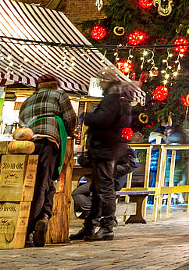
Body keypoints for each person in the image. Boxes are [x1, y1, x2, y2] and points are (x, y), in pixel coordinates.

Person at [17, 74, 78, 247]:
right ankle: (32, 226)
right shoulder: (59, 95)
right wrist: (68, 130)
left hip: (28, 144)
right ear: (55, 85)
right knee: (43, 183)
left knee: (34, 183)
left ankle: (43, 215)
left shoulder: (27, 101)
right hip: (48, 142)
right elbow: (70, 120)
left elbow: (21, 122)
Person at [73, 79, 131, 241]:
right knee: (98, 190)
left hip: (105, 150)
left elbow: (104, 120)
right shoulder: (120, 101)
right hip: (106, 149)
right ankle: (90, 226)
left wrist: (87, 116)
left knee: (104, 189)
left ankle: (106, 226)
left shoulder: (112, 100)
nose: (102, 85)